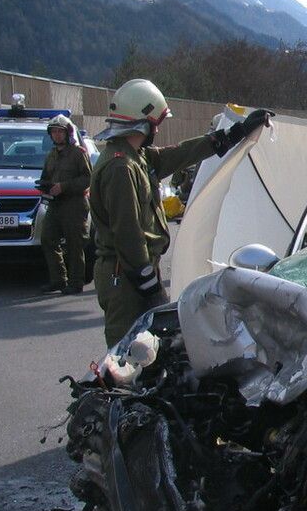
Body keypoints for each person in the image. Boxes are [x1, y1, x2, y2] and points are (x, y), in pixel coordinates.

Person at [89, 79, 272, 347]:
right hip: (124, 276)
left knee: (150, 348)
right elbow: (127, 235)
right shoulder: (121, 168)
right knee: (126, 354)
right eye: (156, 123)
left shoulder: (136, 157)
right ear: (146, 121)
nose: (158, 129)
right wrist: (149, 286)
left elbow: (180, 154)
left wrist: (235, 133)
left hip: (131, 271)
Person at [38, 114, 92, 295]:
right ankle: (58, 280)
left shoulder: (78, 154)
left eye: (60, 132)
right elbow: (45, 177)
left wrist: (64, 187)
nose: (57, 135)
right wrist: (45, 187)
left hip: (74, 205)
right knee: (47, 238)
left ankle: (76, 282)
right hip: (55, 205)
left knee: (75, 243)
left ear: (67, 133)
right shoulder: (51, 155)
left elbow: (87, 178)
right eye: (53, 132)